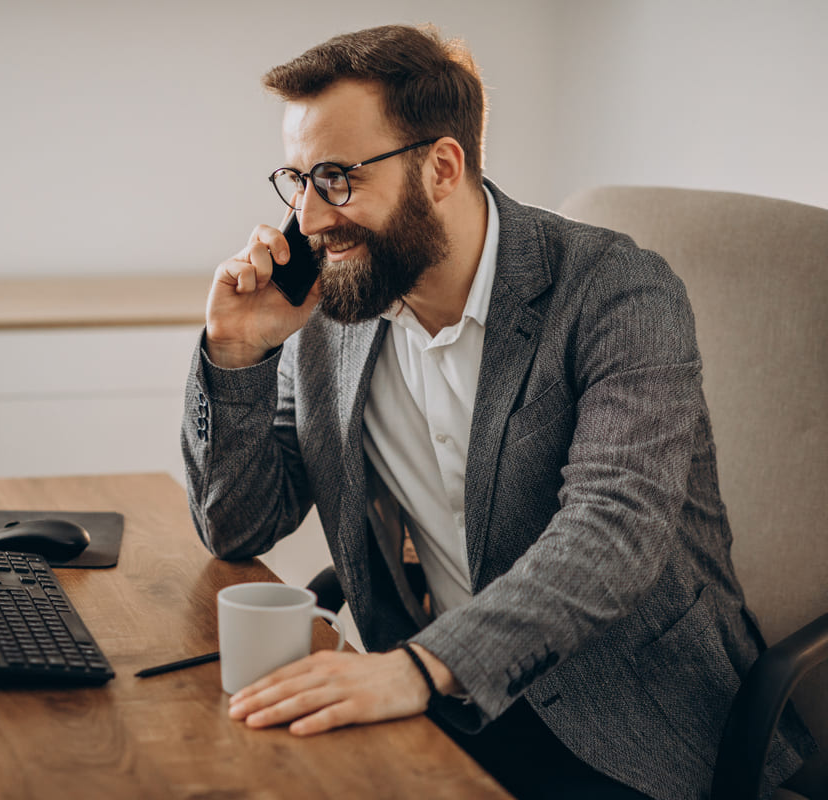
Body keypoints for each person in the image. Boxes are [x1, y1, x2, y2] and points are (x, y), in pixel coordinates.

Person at [180, 23, 815, 800]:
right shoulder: (336, 303)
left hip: (632, 720)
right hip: (440, 706)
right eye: (297, 179)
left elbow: (613, 529)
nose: (308, 219)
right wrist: (236, 351)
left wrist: (418, 669)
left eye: (337, 178)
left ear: (442, 167)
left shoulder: (617, 290)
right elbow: (237, 526)